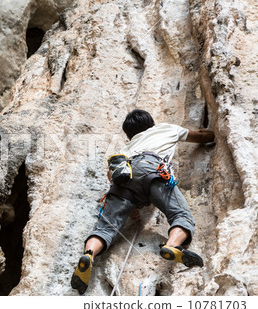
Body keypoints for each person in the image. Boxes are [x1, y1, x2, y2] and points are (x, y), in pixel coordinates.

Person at [71, 109, 215, 295]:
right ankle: (171, 245)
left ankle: (89, 254)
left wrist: (130, 206)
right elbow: (202, 136)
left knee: (105, 228)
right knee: (180, 215)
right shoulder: (166, 129)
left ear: (129, 134)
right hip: (153, 169)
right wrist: (214, 132)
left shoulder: (126, 149)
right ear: (151, 123)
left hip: (125, 179)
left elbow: (114, 178)